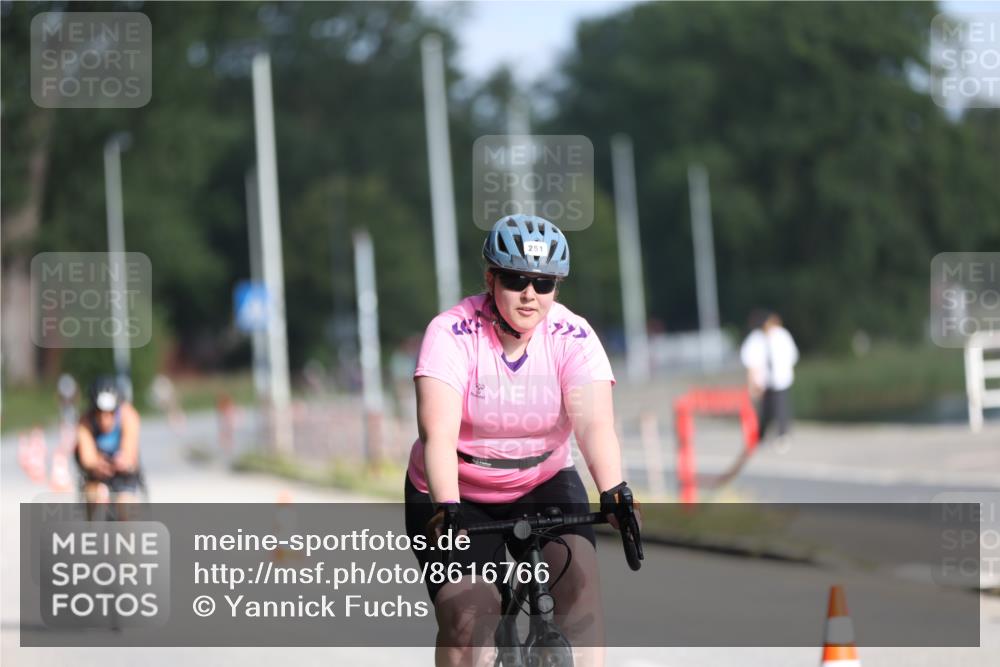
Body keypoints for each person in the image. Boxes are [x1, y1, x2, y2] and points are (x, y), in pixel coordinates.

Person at [403, 214, 637, 667]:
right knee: (469, 617)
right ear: (491, 279)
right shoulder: (451, 334)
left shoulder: (572, 336)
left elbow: (594, 425)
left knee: (581, 592)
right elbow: (438, 433)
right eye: (515, 280)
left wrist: (613, 490)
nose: (530, 294)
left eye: (544, 283)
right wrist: (447, 507)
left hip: (542, 478)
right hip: (458, 488)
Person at [75, 376, 143, 517]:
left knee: (125, 506)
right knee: (95, 498)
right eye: (100, 413)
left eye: (110, 413)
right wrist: (96, 464)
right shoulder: (85, 422)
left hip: (124, 475)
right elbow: (87, 457)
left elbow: (130, 452)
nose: (105, 420)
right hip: (97, 475)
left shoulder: (128, 416)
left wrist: (124, 461)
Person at [740, 310, 799, 448]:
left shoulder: (782, 335)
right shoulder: (755, 339)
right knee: (764, 410)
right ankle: (760, 436)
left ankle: (782, 435)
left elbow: (792, 355)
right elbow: (750, 362)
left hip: (781, 379)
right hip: (764, 382)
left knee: (782, 408)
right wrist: (753, 383)